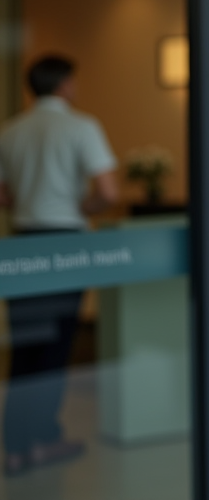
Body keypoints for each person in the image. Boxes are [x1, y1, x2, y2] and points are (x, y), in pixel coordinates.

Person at [0, 55, 118, 477]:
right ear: (66, 84)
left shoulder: (10, 130)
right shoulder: (81, 127)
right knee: (55, 345)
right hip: (65, 241)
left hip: (22, 242)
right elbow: (107, 191)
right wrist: (79, 207)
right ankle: (44, 439)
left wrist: (28, 201)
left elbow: (4, 195)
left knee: (26, 342)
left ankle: (15, 447)